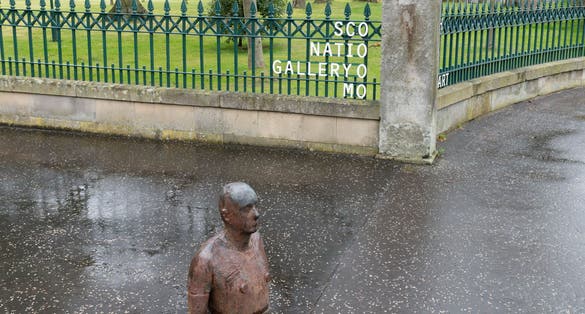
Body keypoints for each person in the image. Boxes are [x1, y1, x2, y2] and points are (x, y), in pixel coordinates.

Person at [188, 182, 270, 314]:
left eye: (255, 206)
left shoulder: (257, 240)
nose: (256, 214)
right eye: (246, 209)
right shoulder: (205, 260)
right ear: (227, 215)